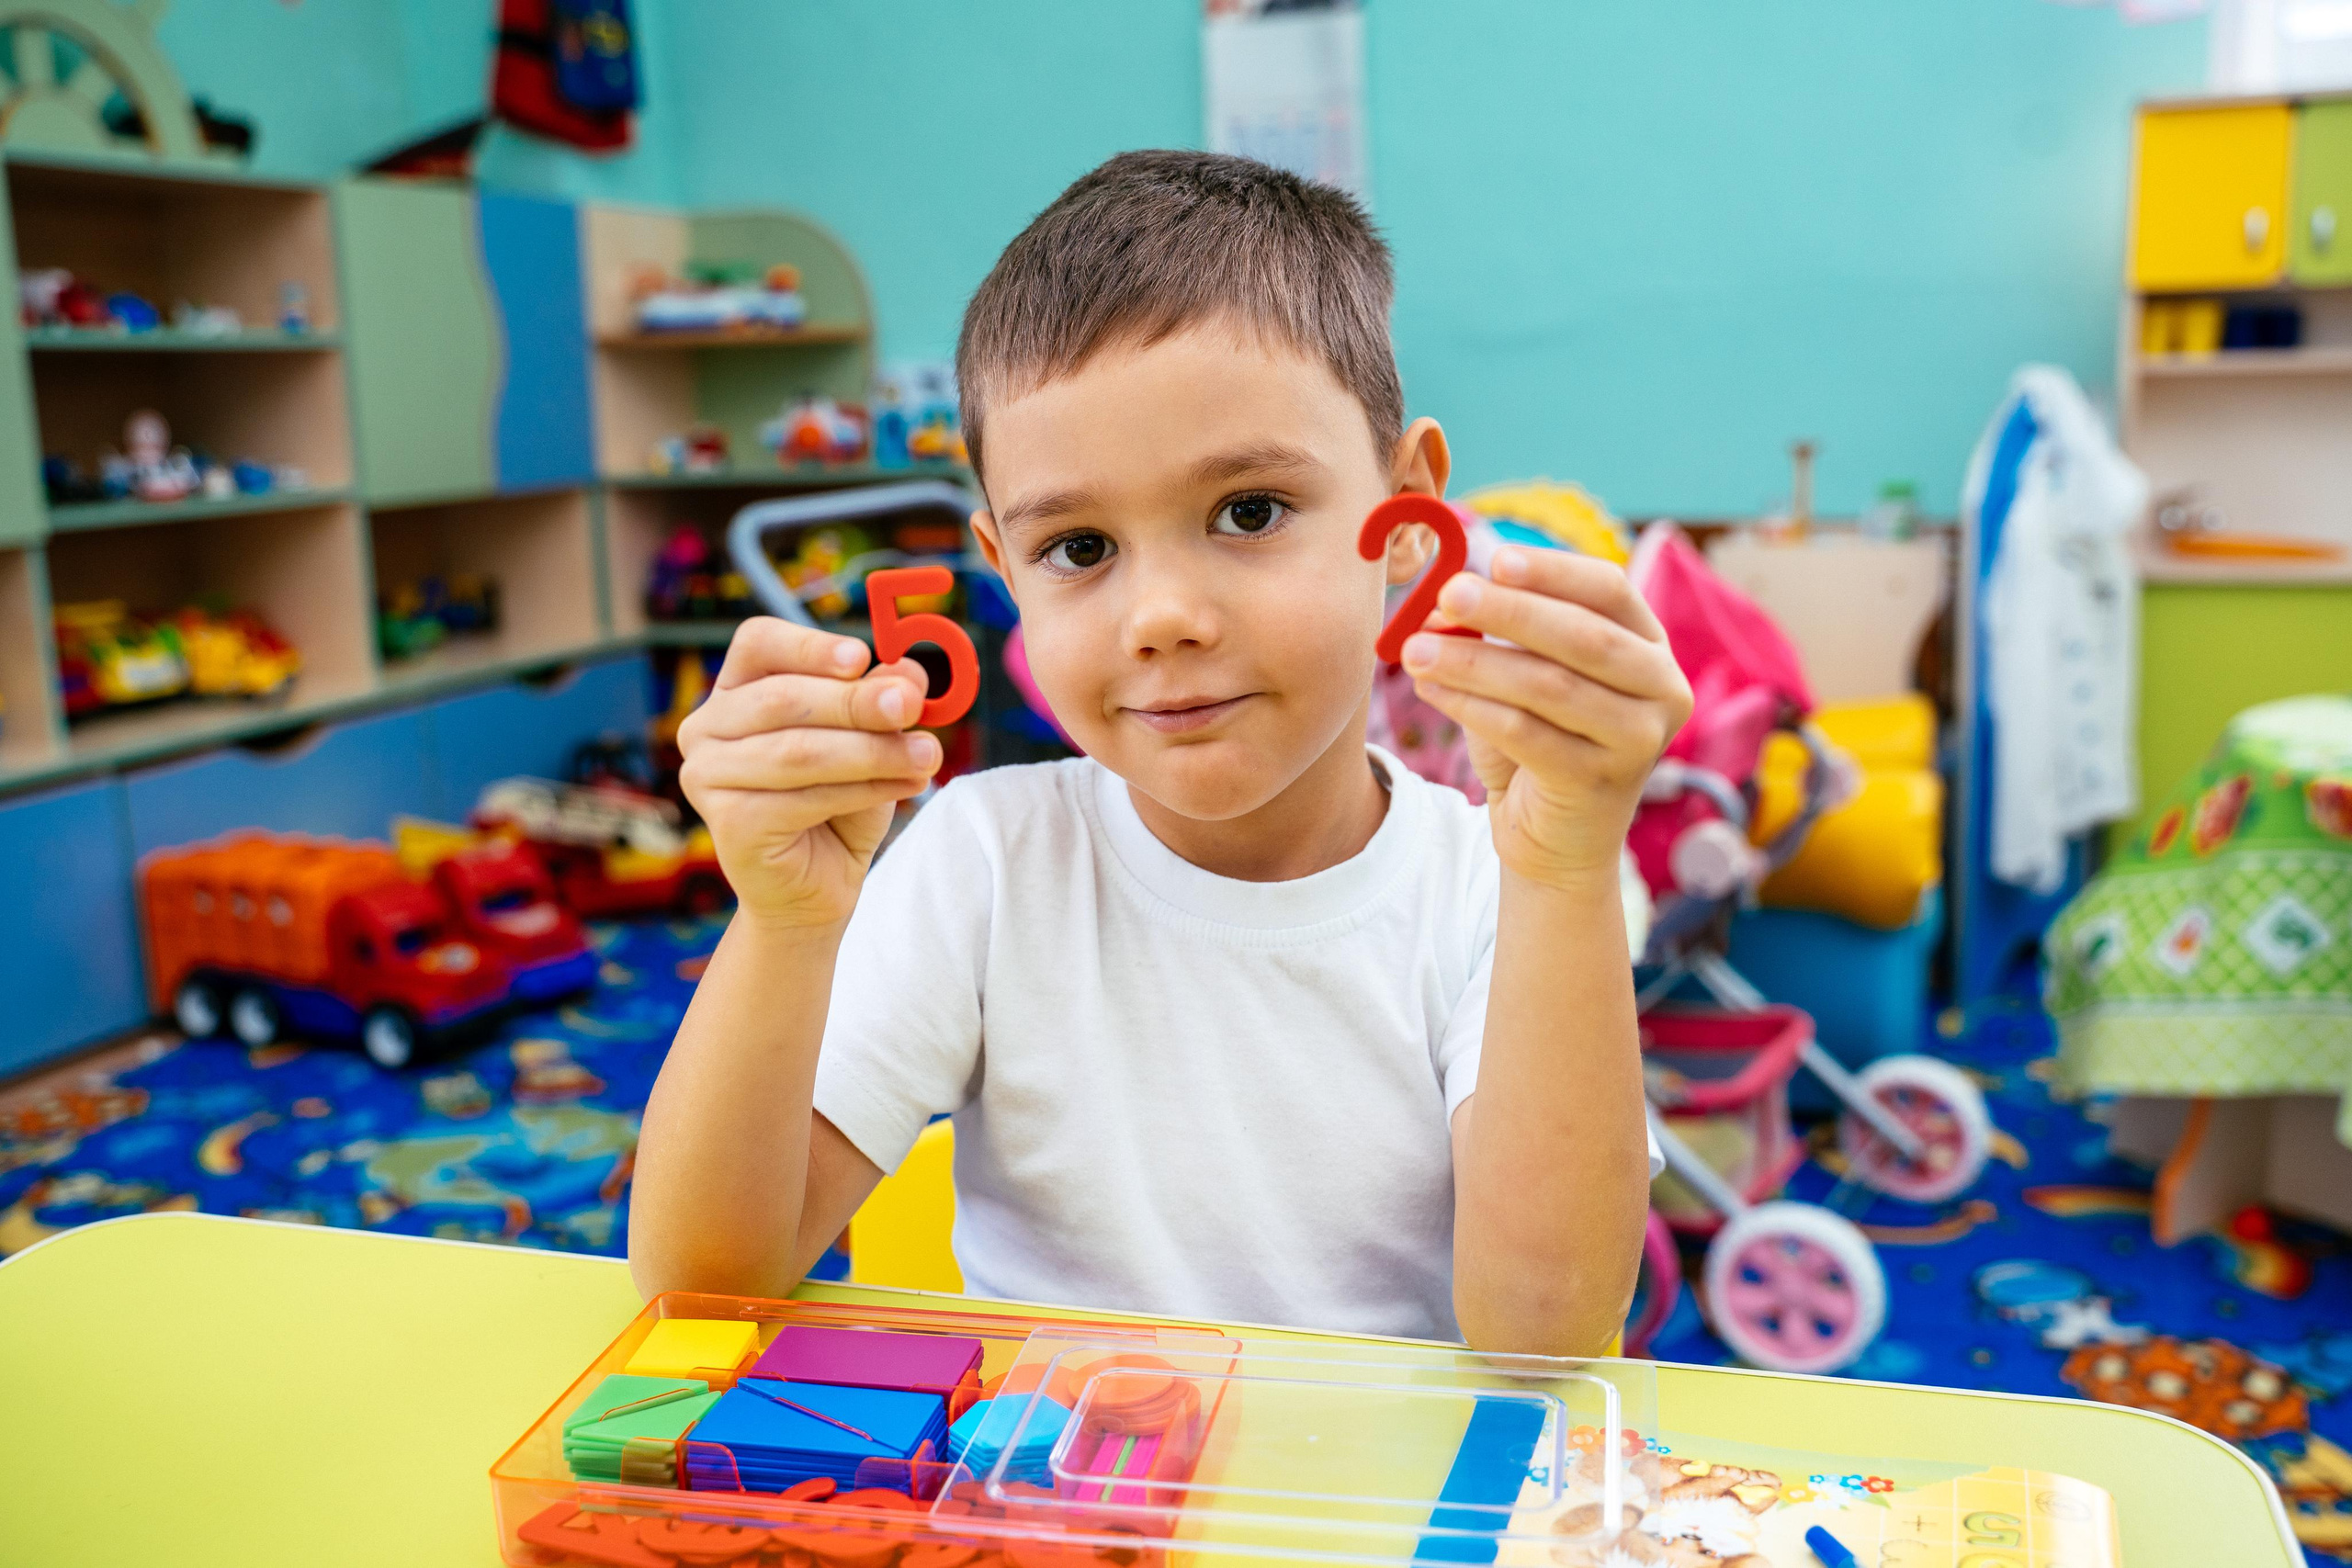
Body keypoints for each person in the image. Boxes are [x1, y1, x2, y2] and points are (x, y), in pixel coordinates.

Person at [629, 151, 1689, 1353]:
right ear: (1002, 563)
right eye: (1079, 548)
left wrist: (1562, 871)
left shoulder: (1496, 884)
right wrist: (782, 923)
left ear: (1406, 516)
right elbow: (704, 1287)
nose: (1161, 616)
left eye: (1248, 512)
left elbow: (1543, 1344)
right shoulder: (984, 862)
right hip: (1050, 1524)